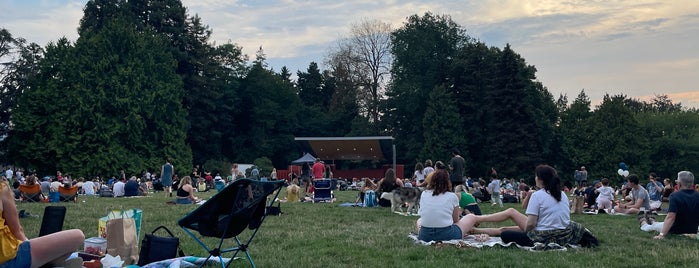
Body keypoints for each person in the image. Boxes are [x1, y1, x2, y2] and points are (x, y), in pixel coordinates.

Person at [470, 165, 596, 247]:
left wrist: (525, 230)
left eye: (536, 176)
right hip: (561, 232)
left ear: (540, 179)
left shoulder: (538, 195)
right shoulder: (562, 194)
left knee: (507, 230)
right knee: (508, 224)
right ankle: (475, 229)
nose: (535, 178)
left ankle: (477, 219)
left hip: (542, 234)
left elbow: (530, 225)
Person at [1, 176, 85, 267]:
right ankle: (47, 263)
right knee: (78, 236)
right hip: (8, 258)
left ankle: (48, 262)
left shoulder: (21, 187)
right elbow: (17, 230)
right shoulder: (2, 189)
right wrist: (29, 247)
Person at [415, 169, 480, 241]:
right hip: (447, 235)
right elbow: (455, 220)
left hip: (425, 236)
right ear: (448, 181)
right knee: (471, 217)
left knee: (419, 220)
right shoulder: (452, 196)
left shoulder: (424, 194)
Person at [648, 171, 699, 239]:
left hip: (676, 229)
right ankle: (652, 220)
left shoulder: (675, 196)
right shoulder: (697, 195)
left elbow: (671, 217)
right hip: (693, 229)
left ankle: (645, 222)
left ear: (679, 184)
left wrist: (661, 235)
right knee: (658, 224)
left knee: (654, 226)